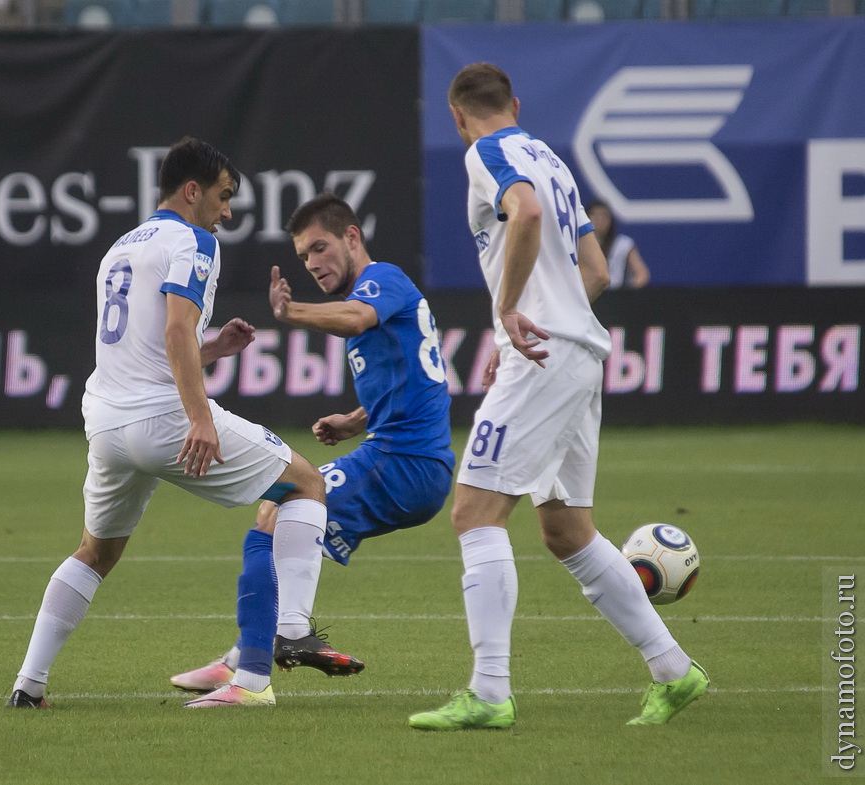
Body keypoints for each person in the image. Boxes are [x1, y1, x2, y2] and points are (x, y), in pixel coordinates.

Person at [5, 138, 359, 709]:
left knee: (94, 552)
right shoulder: (194, 241)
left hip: (106, 422)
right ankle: (291, 629)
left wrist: (214, 348)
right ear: (192, 191)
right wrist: (199, 417)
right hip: (163, 418)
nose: (227, 212)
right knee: (306, 484)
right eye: (222, 197)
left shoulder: (120, 247)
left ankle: (29, 683)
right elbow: (172, 334)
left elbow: (147, 346)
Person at [408, 63, 708, 731]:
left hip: (541, 357)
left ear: (458, 117)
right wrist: (547, 319)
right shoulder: (554, 160)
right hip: (578, 351)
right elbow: (595, 270)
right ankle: (674, 669)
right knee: (567, 530)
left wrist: (512, 312)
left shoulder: (487, 153)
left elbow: (528, 215)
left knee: (473, 512)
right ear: (515, 103)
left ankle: (489, 692)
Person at [170, 193, 455, 707]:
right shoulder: (383, 296)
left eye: (320, 248)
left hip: (403, 465)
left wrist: (291, 311)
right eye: (303, 256)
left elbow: (354, 318)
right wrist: (354, 420)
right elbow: (418, 375)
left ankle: (258, 669)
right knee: (286, 526)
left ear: (352, 237)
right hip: (409, 462)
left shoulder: (381, 280)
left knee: (276, 509)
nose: (313, 264)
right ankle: (241, 658)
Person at [585, 198, 650, 289]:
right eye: (595, 215)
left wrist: (627, 295)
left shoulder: (623, 244)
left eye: (604, 216)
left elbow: (641, 274)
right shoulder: (579, 244)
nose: (599, 220)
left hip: (616, 295)